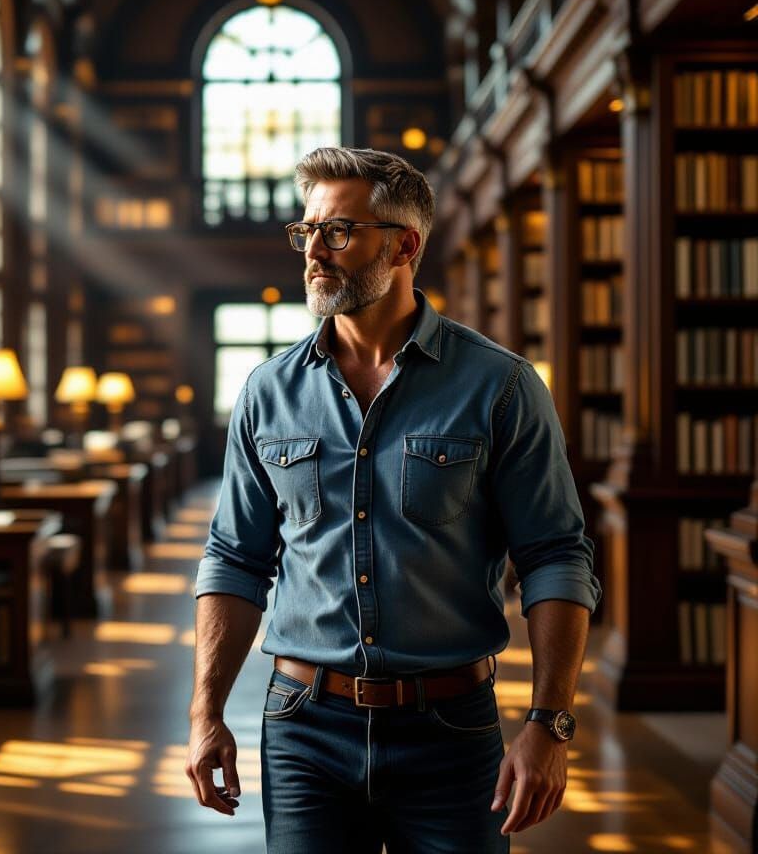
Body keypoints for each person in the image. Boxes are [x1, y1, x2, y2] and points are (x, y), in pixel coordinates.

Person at [185, 146, 601, 853]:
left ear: (405, 244)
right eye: (307, 230)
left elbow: (555, 555)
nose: (314, 249)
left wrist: (550, 721)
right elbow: (234, 557)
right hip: (302, 726)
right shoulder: (267, 392)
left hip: (451, 730)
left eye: (339, 230)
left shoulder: (501, 386)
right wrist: (206, 711)